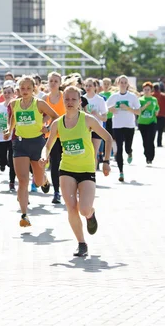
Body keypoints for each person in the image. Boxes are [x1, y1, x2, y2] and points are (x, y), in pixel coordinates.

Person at [42, 85, 113, 257]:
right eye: (67, 99)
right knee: (71, 208)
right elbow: (48, 144)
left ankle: (91, 215)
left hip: (86, 169)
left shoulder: (88, 120)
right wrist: (45, 156)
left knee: (84, 208)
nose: (70, 102)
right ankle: (81, 243)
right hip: (66, 169)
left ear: (80, 102)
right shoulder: (57, 123)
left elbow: (108, 138)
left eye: (74, 99)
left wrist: (106, 161)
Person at [4, 76, 58, 227]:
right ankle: (24, 215)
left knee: (39, 182)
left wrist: (47, 127)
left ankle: (45, 180)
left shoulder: (39, 103)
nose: (25, 91)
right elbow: (12, 118)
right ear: (18, 90)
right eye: (22, 89)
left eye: (28, 88)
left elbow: (55, 117)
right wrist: (9, 130)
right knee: (22, 181)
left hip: (37, 143)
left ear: (34, 88)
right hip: (20, 143)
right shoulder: (14, 103)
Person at [106, 75, 143, 182]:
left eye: (125, 82)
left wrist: (128, 108)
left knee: (127, 147)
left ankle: (130, 152)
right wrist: (111, 109)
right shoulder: (114, 96)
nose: (123, 84)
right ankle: (121, 172)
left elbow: (139, 111)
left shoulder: (132, 97)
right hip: (117, 125)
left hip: (129, 125)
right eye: (121, 82)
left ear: (127, 84)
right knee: (119, 149)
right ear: (117, 84)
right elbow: (105, 108)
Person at [44, 72, 66, 203]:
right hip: (51, 135)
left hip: (66, 134)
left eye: (55, 81)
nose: (53, 83)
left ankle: (70, 188)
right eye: (51, 80)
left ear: (60, 83)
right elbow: (41, 117)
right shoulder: (44, 99)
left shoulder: (65, 97)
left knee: (66, 164)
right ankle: (56, 192)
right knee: (54, 163)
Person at [0, 81, 16, 192]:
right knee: (1, 159)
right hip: (0, 136)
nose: (7, 94)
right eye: (5, 92)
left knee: (12, 161)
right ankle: (3, 164)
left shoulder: (16, 105)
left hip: (12, 136)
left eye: (9, 92)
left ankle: (11, 182)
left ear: (13, 93)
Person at [83, 78, 108, 168]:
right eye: (86, 85)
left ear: (95, 87)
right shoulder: (82, 99)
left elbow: (105, 118)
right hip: (85, 129)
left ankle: (92, 175)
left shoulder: (100, 100)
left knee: (94, 152)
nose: (88, 87)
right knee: (85, 152)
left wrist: (97, 115)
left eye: (90, 85)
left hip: (97, 129)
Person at [137, 82, 160, 164]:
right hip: (142, 123)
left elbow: (157, 108)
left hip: (152, 122)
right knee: (145, 140)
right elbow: (138, 111)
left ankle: (151, 157)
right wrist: (146, 105)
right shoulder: (140, 100)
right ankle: (146, 154)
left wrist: (157, 111)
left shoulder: (154, 99)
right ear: (143, 90)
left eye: (148, 90)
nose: (146, 91)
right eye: (145, 89)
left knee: (151, 140)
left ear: (151, 91)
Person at [152, 83, 165, 148]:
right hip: (162, 114)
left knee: (153, 130)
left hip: (153, 115)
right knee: (160, 130)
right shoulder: (163, 96)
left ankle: (151, 142)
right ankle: (159, 143)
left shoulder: (151, 95)